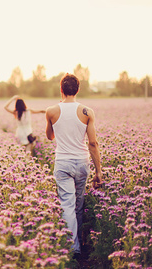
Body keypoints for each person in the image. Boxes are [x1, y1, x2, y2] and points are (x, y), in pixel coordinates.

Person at [45, 73, 103, 257]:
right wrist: (98, 172)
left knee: (67, 205)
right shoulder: (87, 111)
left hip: (62, 163)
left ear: (61, 89)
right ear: (77, 90)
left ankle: (73, 248)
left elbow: (50, 136)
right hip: (82, 162)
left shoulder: (51, 111)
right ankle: (80, 242)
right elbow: (93, 143)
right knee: (78, 204)